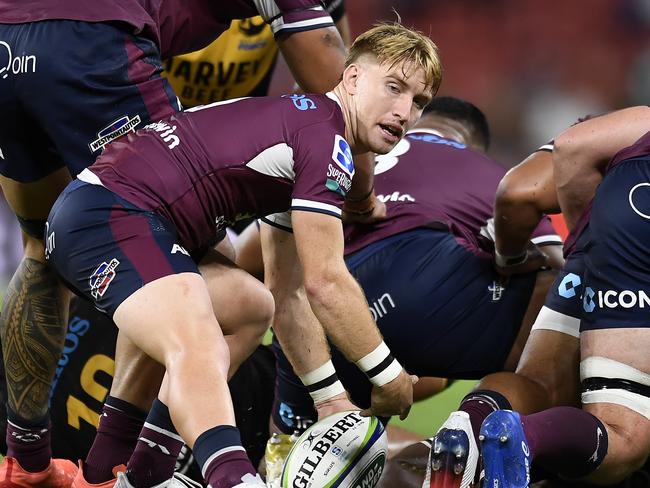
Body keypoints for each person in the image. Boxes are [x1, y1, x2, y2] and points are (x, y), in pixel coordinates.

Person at [43, 23, 441, 488]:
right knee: (196, 336)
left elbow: (289, 292)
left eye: (418, 102)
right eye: (393, 87)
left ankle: (120, 476)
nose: (404, 111)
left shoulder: (311, 131)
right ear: (351, 78)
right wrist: (389, 375)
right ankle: (233, 479)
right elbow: (326, 283)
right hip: (109, 214)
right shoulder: (326, 140)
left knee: (251, 306)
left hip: (132, 220)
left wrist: (331, 397)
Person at [0, 1, 346, 486]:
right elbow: (340, 90)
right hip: (97, 41)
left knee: (37, 243)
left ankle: (26, 464)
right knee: (231, 296)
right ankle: (115, 470)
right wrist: (364, 193)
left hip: (9, 36)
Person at [262, 97, 562, 450]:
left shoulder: (352, 151)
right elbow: (558, 264)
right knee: (562, 314)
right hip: (414, 277)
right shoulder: (490, 171)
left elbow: (260, 254)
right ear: (471, 142)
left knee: (302, 455)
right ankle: (474, 437)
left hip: (311, 319)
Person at [479, 107, 650, 487]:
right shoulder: (634, 122)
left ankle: (473, 426)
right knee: (624, 432)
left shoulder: (624, 129)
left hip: (608, 240)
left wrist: (584, 250)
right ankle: (526, 443)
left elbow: (554, 160)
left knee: (539, 386)